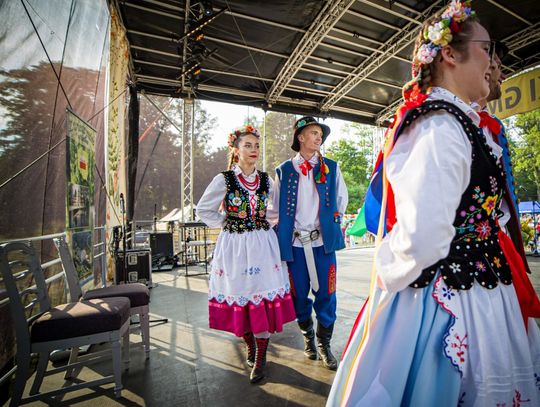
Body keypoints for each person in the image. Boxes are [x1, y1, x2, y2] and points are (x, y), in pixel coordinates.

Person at [326, 1, 540, 405]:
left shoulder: (460, 122)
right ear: (449, 54)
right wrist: (389, 271)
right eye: (486, 49)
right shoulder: (439, 125)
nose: (493, 62)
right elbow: (423, 236)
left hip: (481, 289)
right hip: (449, 297)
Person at [196, 125, 296, 384]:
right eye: (248, 145)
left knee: (261, 292)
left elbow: (276, 209)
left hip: (262, 245)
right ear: (235, 150)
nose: (253, 150)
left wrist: (261, 222)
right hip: (235, 247)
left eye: (256, 146)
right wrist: (227, 222)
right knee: (240, 293)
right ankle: (250, 344)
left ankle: (260, 355)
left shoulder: (265, 179)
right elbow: (203, 209)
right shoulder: (224, 179)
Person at [268, 116, 348, 370]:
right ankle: (308, 337)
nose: (319, 137)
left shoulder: (332, 167)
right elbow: (274, 209)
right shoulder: (284, 170)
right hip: (295, 246)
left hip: (322, 244)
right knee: (298, 295)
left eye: (320, 134)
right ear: (300, 137)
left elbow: (341, 200)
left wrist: (329, 225)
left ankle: (325, 344)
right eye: (314, 132)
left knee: (327, 294)